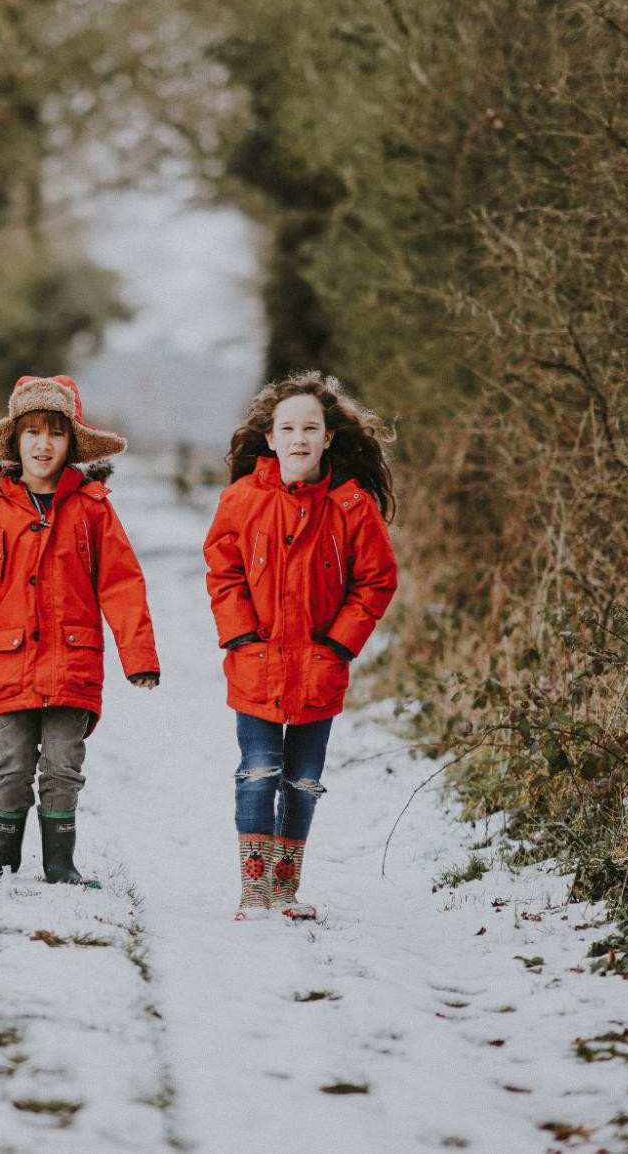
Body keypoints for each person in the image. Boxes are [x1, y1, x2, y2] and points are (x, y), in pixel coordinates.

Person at [0, 374, 160, 886]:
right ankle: (0, 856)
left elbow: (122, 584)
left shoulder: (92, 508)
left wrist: (140, 658)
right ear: (14, 441)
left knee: (64, 766)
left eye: (56, 434)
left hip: (74, 663)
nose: (44, 444)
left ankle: (61, 863)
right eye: (33, 433)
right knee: (13, 764)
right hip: (8, 664)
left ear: (72, 444)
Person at [203, 370, 398, 920]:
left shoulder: (352, 506)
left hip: (319, 668)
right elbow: (223, 570)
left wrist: (337, 646)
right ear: (269, 436)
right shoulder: (241, 500)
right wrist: (241, 635)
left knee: (303, 782)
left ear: (328, 436)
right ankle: (254, 891)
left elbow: (377, 580)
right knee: (258, 771)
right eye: (287, 428)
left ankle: (285, 892)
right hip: (255, 665)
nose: (299, 439)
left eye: (310, 427)